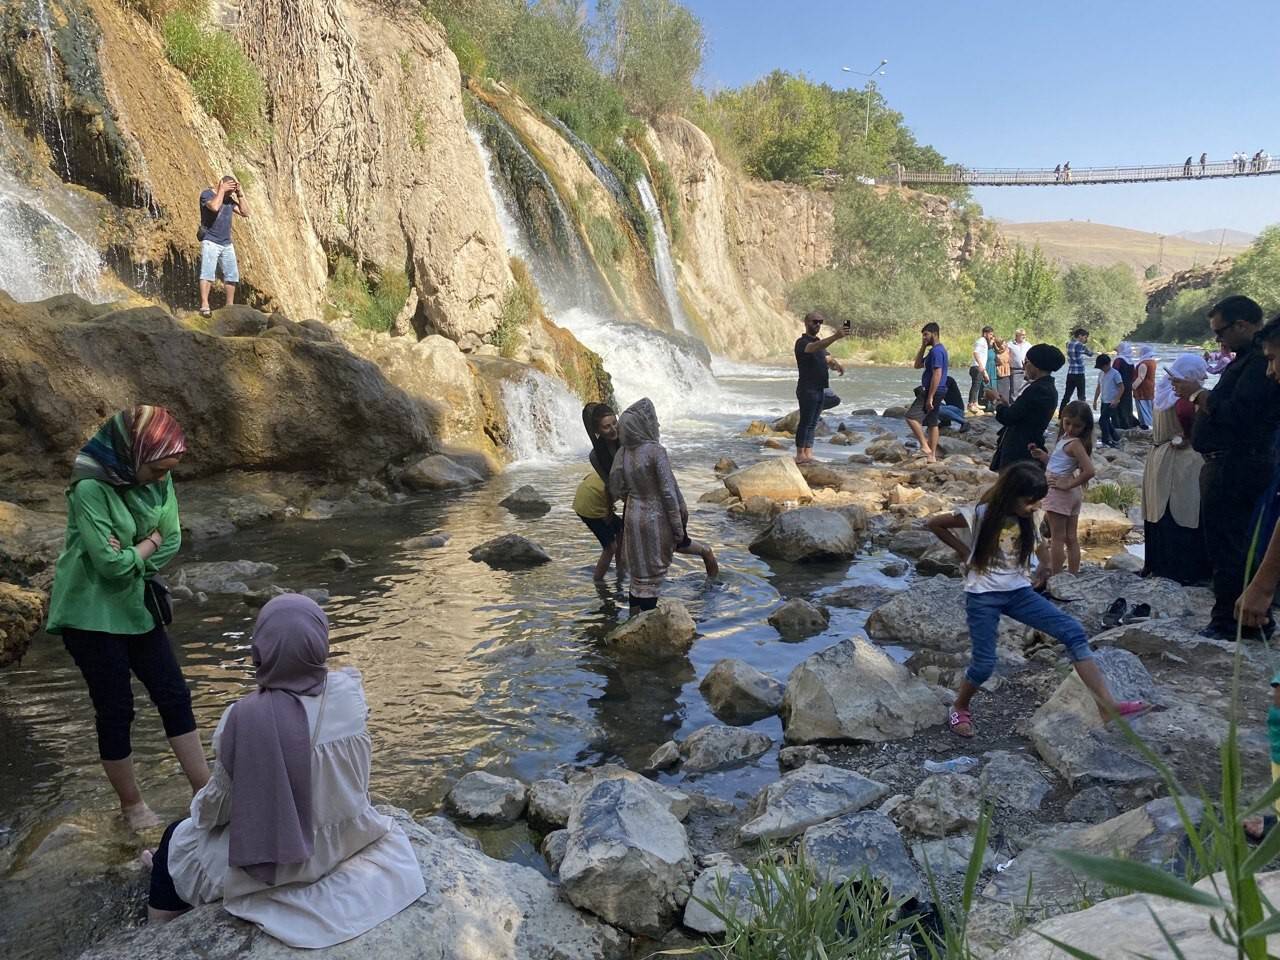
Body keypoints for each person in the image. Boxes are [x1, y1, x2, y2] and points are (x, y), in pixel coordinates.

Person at [145, 595, 426, 945]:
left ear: (260, 650)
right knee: (177, 847)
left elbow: (214, 812)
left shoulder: (241, 719)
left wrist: (195, 815)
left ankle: (157, 938)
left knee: (176, 838)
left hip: (283, 865)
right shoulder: (350, 695)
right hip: (352, 838)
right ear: (319, 644)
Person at [45, 406, 209, 831]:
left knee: (174, 694)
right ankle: (133, 807)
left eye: (166, 472)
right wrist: (145, 543)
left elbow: (171, 538)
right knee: (116, 709)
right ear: (132, 454)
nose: (161, 478)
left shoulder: (160, 474)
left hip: (137, 608)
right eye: (156, 470)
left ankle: (205, 789)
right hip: (90, 614)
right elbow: (107, 566)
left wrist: (137, 549)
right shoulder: (90, 489)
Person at [925, 462, 1149, 739]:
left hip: (1019, 593)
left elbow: (1040, 545)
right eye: (1030, 501)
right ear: (1010, 495)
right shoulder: (981, 514)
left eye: (1037, 501)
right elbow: (934, 523)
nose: (1035, 506)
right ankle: (959, 706)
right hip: (983, 596)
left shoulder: (1029, 515)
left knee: (1074, 632)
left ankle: (1107, 706)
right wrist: (966, 553)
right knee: (984, 665)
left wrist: (1044, 566)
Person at [1173, 295, 1280, 639]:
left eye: (1221, 333)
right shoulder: (1249, 361)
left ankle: (1232, 621)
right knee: (1232, 541)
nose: (1218, 341)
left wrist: (1196, 395)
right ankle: (1243, 616)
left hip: (1237, 464)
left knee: (1229, 543)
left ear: (1243, 325)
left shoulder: (1255, 366)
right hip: (1231, 462)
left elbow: (1237, 414)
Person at [611, 398, 712, 614]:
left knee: (638, 576)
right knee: (653, 577)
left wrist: (631, 497)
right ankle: (646, 625)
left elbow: (616, 485)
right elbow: (668, 492)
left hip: (632, 515)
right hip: (655, 516)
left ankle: (632, 622)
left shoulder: (624, 453)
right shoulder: (656, 451)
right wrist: (678, 529)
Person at [1141, 353, 1211, 585]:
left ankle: (1157, 564)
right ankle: (1182, 570)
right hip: (1183, 462)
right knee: (1182, 512)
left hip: (1158, 457)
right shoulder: (1185, 401)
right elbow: (1193, 431)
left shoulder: (1163, 392)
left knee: (1161, 511)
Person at [1030, 401, 1096, 576]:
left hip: (1059, 491)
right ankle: (1073, 573)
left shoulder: (1074, 444)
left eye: (1077, 426)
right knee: (1070, 537)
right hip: (1072, 493)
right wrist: (1044, 457)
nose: (1071, 428)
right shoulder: (1067, 440)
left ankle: (1056, 575)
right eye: (1067, 423)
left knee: (1057, 538)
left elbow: (1089, 471)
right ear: (1062, 419)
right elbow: (1060, 463)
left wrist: (1066, 484)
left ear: (1085, 427)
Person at [987, 343, 1064, 472]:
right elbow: (1022, 414)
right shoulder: (1046, 388)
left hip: (1020, 451)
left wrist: (996, 401)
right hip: (1028, 447)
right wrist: (1006, 405)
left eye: (1026, 362)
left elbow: (1008, 417)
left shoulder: (1037, 390)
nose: (1024, 366)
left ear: (1036, 365)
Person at [575, 403, 624, 581]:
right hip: (590, 504)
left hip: (598, 497)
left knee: (621, 532)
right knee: (610, 547)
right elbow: (610, 486)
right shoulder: (596, 456)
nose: (612, 429)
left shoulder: (625, 441)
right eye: (606, 426)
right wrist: (608, 511)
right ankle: (599, 584)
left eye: (614, 423)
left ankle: (621, 573)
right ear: (598, 431)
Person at [794, 312, 847, 464]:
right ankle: (799, 455)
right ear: (806, 323)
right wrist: (836, 336)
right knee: (805, 421)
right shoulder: (802, 342)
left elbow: (827, 358)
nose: (817, 324)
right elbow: (813, 348)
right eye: (814, 321)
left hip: (820, 388)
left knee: (813, 422)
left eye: (820, 322)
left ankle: (808, 453)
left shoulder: (819, 343)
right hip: (807, 388)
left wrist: (836, 365)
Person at [198, 176, 249, 318]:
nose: (229, 194)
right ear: (221, 184)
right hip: (210, 241)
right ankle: (204, 305)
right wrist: (222, 190)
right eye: (228, 190)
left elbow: (245, 213)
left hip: (226, 243)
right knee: (207, 274)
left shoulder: (229, 199)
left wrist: (239, 194)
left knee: (232, 275)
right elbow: (214, 207)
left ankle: (230, 306)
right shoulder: (206, 195)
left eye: (230, 192)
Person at [907, 322, 949, 463]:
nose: (924, 337)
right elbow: (917, 365)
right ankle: (932, 457)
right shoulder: (935, 351)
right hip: (940, 390)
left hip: (932, 391)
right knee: (932, 422)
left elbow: (937, 373)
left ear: (935, 334)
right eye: (923, 335)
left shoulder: (937, 351)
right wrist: (923, 346)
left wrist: (930, 396)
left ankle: (925, 447)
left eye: (926, 334)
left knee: (911, 417)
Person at [1093, 353, 1123, 448]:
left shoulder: (1115, 374)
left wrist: (1116, 400)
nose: (1102, 369)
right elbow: (1098, 388)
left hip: (1112, 402)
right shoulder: (1101, 374)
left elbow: (1121, 388)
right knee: (1106, 421)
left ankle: (1106, 441)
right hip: (1104, 400)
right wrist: (1095, 401)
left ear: (1108, 364)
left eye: (1103, 367)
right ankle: (1116, 438)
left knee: (1102, 420)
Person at [1062, 328, 1093, 410]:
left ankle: (1060, 415)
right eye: (1085, 337)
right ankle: (1083, 415)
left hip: (1071, 372)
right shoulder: (1080, 345)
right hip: (1079, 373)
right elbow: (1090, 354)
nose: (1086, 339)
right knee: (1081, 397)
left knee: (1067, 395)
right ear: (1080, 336)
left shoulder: (1068, 343)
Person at [1111, 342, 1138, 429]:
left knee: (1119, 403)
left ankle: (1120, 423)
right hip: (1128, 385)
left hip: (1119, 385)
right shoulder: (1130, 361)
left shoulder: (1118, 360)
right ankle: (1128, 421)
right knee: (1127, 404)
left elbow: (1114, 373)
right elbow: (1134, 375)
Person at [968, 326, 994, 413]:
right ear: (985, 333)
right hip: (977, 367)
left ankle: (975, 403)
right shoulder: (981, 341)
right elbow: (975, 353)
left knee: (977, 385)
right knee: (975, 386)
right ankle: (971, 404)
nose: (991, 336)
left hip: (978, 367)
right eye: (990, 334)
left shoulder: (985, 342)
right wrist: (981, 367)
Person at [1133, 345, 1158, 428]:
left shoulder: (1143, 364)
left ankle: (1147, 426)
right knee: (1149, 407)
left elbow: (1141, 377)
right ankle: (1152, 425)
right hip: (1150, 387)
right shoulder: (1153, 362)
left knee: (1143, 408)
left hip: (1142, 389)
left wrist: (1133, 386)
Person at [1008, 329, 1031, 399]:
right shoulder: (1010, 344)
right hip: (1015, 370)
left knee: (1026, 389)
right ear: (1017, 336)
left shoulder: (1028, 345)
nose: (1024, 336)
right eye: (1022, 335)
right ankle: (1013, 406)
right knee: (1014, 391)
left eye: (1025, 335)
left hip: (1026, 369)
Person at [994, 336, 1013, 403]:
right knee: (999, 391)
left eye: (1004, 343)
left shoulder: (1008, 350)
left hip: (1007, 373)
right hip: (998, 373)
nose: (1004, 345)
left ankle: (1006, 404)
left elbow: (1010, 360)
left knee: (1006, 391)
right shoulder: (995, 351)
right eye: (1002, 343)